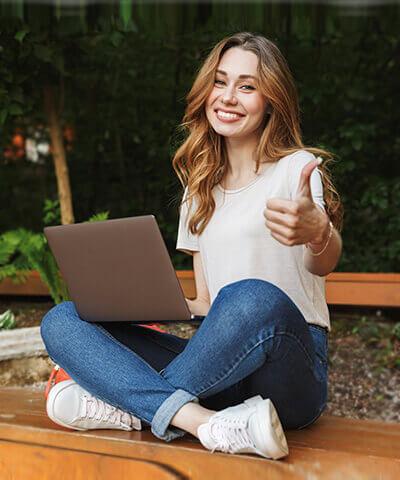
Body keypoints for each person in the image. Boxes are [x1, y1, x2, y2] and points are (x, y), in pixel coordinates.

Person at [40, 31, 343, 461]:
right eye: (220, 82)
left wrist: (317, 230)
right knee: (63, 320)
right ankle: (201, 422)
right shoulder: (199, 189)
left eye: (247, 86)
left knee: (251, 296)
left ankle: (126, 405)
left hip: (290, 372)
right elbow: (206, 302)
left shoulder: (296, 170)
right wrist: (134, 304)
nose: (228, 97)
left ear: (271, 100)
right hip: (223, 371)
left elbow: (323, 263)